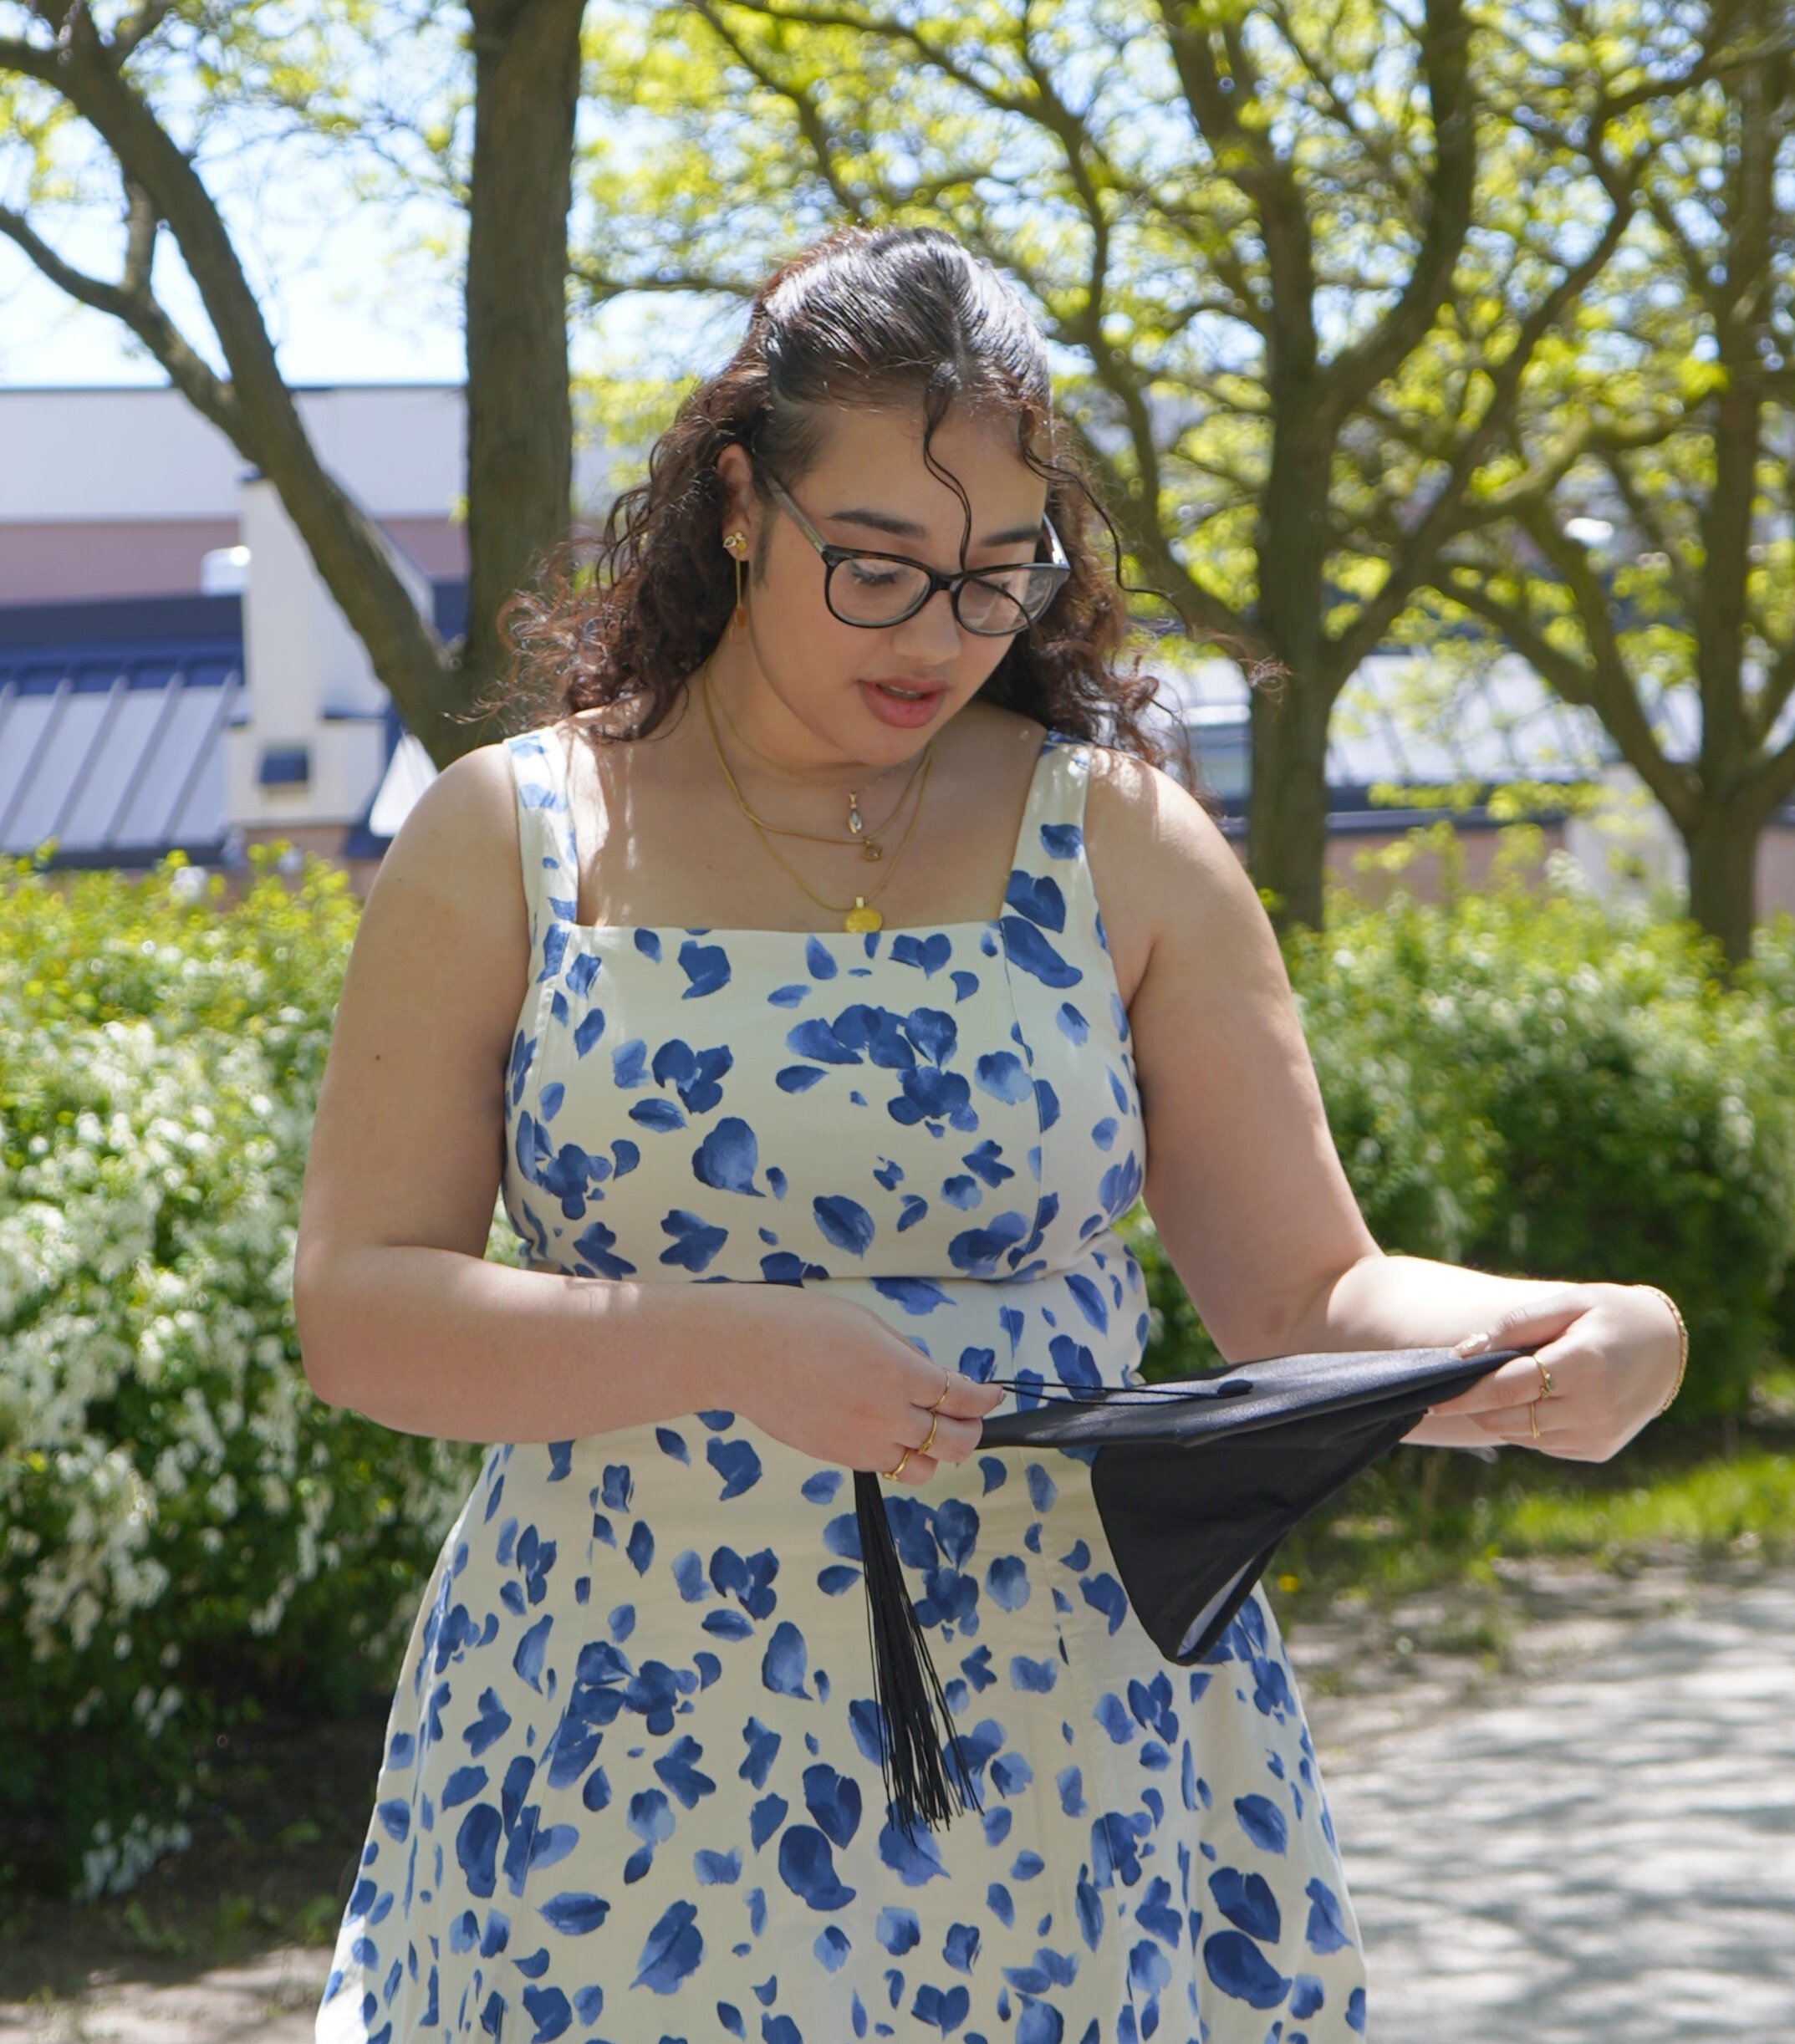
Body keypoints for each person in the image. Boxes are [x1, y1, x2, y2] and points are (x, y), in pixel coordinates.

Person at [298, 224, 1685, 2043]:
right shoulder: (511, 836)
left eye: (994, 578)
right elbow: (359, 1309)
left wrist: (1581, 1326)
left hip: (1064, 1715)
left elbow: (1309, 1290)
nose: (940, 635)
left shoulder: (1119, 835)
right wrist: (716, 1341)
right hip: (620, 1727)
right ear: (737, 501)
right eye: (873, 567)